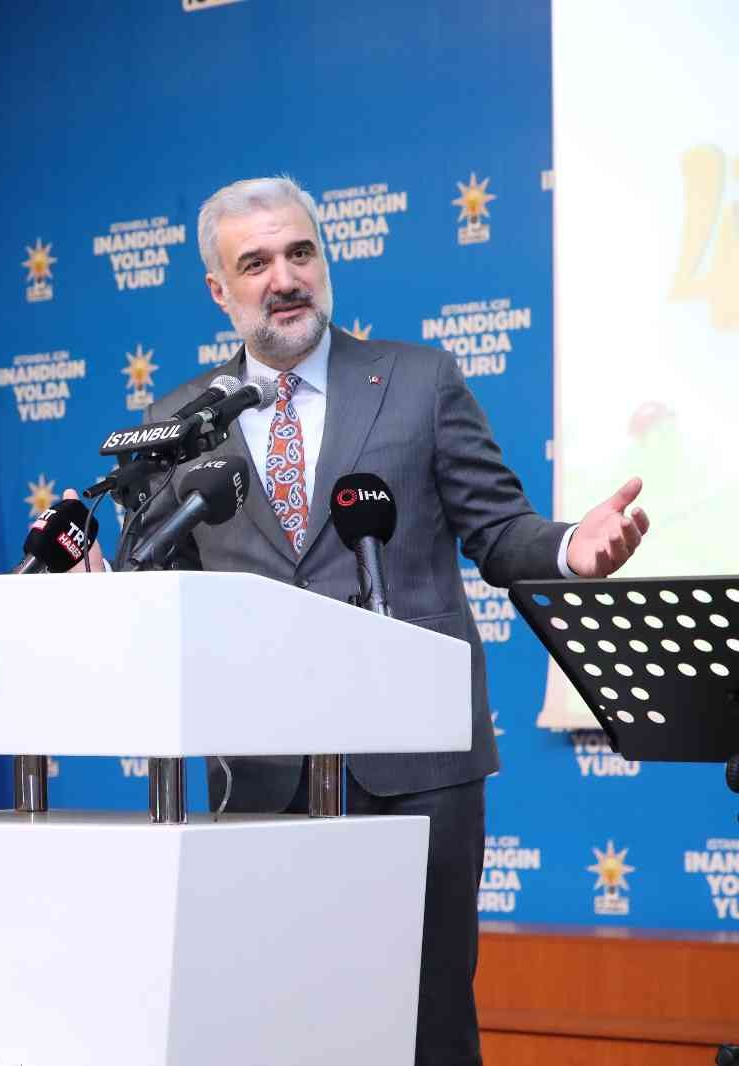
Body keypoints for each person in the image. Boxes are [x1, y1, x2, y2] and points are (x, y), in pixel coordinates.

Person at [76, 175, 650, 1066]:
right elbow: (166, 595)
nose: (285, 277)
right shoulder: (178, 424)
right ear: (218, 292)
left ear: (325, 259)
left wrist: (573, 547)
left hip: (417, 770)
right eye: (255, 262)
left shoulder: (419, 381)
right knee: (280, 1030)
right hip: (262, 781)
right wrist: (104, 584)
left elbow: (498, 531)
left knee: (427, 1029)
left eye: (300, 252)